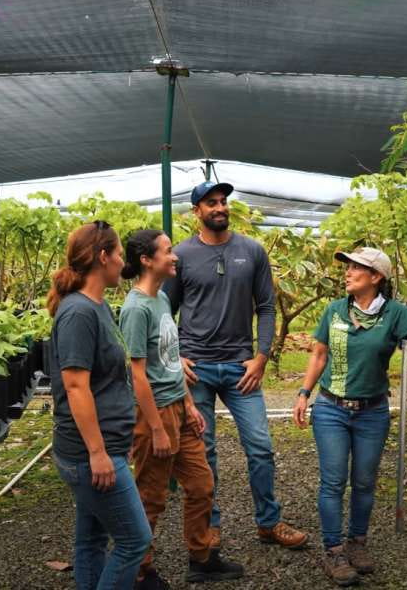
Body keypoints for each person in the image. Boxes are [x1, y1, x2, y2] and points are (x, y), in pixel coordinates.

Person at [291, 246, 407, 586]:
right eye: (347, 268)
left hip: (372, 412)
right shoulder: (333, 311)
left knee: (363, 482)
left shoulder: (395, 314)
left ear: (376, 277)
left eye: (356, 268)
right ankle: (333, 550)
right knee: (332, 482)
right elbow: (318, 355)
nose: (347, 273)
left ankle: (357, 543)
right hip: (331, 409)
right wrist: (303, 393)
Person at [163, 181, 309, 553]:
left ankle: (269, 522)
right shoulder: (181, 256)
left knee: (260, 446)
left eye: (223, 201)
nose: (220, 207)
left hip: (240, 369)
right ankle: (208, 527)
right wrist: (175, 357)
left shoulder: (251, 251)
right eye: (211, 202)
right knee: (203, 450)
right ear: (196, 210)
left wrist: (261, 357)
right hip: (196, 368)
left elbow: (266, 306)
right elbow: (164, 313)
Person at [119, 229, 245, 588]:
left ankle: (201, 557)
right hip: (154, 414)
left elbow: (171, 360)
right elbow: (138, 375)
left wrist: (189, 403)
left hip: (178, 406)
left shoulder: (160, 299)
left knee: (202, 484)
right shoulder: (136, 308)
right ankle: (140, 571)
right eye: (168, 251)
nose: (175, 257)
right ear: (147, 260)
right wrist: (157, 427)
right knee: (151, 496)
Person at [48, 220, 151, 590]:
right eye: (120, 254)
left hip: (105, 447)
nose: (123, 263)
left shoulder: (98, 305)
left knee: (91, 539)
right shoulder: (78, 312)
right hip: (89, 453)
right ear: (103, 256)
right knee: (134, 540)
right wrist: (98, 452)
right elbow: (76, 387)